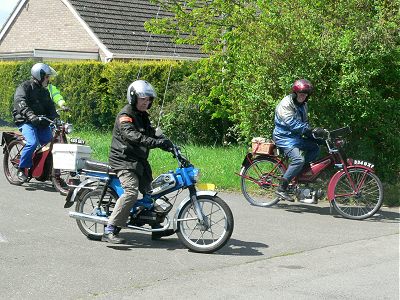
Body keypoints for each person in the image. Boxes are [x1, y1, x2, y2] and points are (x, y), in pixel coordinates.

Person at [103, 80, 175, 244]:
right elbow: (132, 136)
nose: (146, 102)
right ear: (133, 97)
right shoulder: (125, 116)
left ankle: (156, 228)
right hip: (123, 160)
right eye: (143, 99)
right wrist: (156, 142)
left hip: (138, 160)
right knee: (131, 193)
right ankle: (111, 229)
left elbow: (151, 134)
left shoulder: (143, 116)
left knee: (154, 192)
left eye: (149, 99)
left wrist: (168, 143)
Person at [272, 79, 325, 201]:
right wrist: (311, 131)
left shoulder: (304, 105)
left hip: (295, 137)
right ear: (295, 93)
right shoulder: (286, 104)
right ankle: (281, 189)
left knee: (315, 148)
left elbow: (304, 124)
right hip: (283, 137)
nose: (303, 96)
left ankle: (300, 174)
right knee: (298, 159)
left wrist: (316, 137)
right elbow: (292, 124)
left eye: (306, 94)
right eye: (301, 93)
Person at [12, 63, 59, 183]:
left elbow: (50, 107)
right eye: (47, 76)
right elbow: (20, 101)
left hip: (41, 123)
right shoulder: (25, 87)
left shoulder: (44, 92)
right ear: (40, 75)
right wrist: (30, 115)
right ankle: (21, 169)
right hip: (26, 121)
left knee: (51, 146)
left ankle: (51, 174)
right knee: (32, 143)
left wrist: (56, 118)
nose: (48, 79)